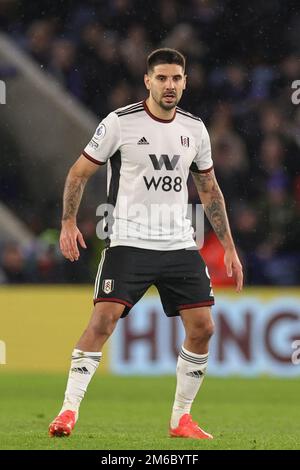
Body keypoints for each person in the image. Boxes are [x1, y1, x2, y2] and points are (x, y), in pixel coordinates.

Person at [49, 48, 243, 439]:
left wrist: (229, 246)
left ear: (185, 82)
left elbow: (208, 190)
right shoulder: (120, 123)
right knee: (103, 321)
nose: (169, 86)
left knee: (203, 328)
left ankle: (181, 419)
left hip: (178, 244)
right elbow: (79, 172)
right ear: (147, 81)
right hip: (128, 241)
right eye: (162, 78)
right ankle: (68, 411)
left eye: (176, 79)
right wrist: (68, 222)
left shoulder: (195, 129)